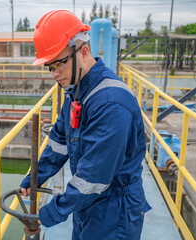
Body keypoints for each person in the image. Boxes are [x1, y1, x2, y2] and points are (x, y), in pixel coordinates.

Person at [20, 10, 151, 240]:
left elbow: (94, 177)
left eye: (59, 63)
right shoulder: (76, 91)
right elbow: (59, 142)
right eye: (49, 67)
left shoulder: (111, 104)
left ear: (84, 51)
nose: (55, 74)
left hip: (114, 212)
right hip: (88, 205)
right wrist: (35, 178)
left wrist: (50, 213)